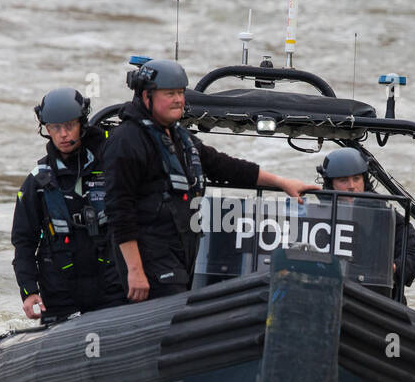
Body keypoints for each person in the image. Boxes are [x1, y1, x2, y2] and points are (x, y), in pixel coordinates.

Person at [104, 59, 316, 301]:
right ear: (146, 97)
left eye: (181, 93)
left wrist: (281, 182)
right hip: (148, 257)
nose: (178, 100)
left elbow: (223, 166)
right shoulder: (126, 141)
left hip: (179, 251)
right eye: (170, 93)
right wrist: (134, 270)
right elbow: (119, 210)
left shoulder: (179, 138)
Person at [12, 88, 125, 321]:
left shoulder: (114, 166)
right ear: (46, 129)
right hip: (60, 294)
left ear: (82, 123)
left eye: (69, 126)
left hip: (112, 288)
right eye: (55, 128)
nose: (63, 134)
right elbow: (23, 241)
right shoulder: (38, 181)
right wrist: (29, 290)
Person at [318, 146, 415, 297]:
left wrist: (392, 267)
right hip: (330, 293)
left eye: (356, 179)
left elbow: (414, 255)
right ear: (331, 183)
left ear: (364, 180)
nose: (352, 186)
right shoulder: (318, 216)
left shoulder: (386, 214)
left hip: (378, 298)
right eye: (343, 180)